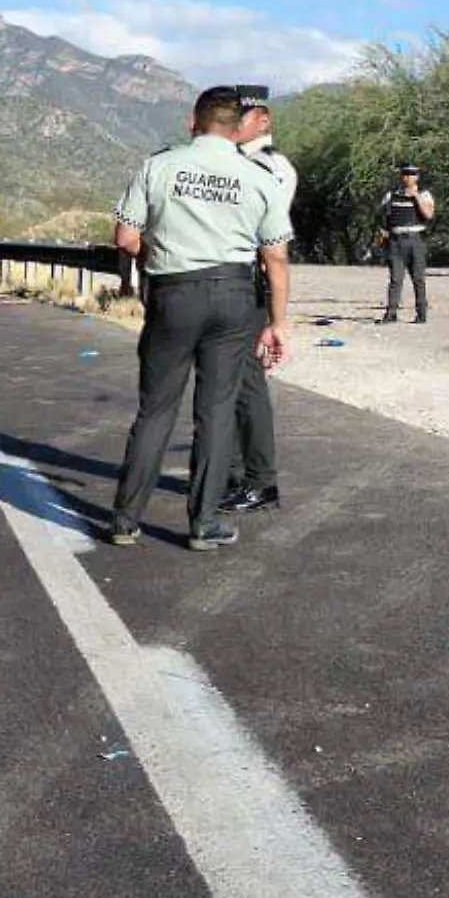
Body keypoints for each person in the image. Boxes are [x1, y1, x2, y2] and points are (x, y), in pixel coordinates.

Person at [109, 86, 294, 551]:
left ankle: (126, 520)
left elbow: (125, 237)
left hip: (174, 293)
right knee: (215, 410)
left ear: (193, 121)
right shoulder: (258, 176)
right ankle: (203, 523)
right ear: (237, 129)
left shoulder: (159, 165)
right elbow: (276, 258)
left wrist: (161, 257)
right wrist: (277, 322)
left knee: (155, 409)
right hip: (234, 297)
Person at [220, 84, 297, 515]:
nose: (234, 124)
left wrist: (276, 316)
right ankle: (227, 473)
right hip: (227, 281)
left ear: (262, 121)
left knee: (247, 383)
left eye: (242, 117)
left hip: (249, 279)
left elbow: (268, 237)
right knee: (225, 382)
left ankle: (260, 480)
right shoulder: (233, 162)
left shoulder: (271, 166)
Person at [377, 163, 435, 324]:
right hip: (395, 241)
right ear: (401, 176)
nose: (408, 177)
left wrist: (416, 196)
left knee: (418, 278)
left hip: (415, 239)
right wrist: (382, 232)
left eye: (412, 174)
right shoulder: (391, 195)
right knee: (396, 279)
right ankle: (391, 313)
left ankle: (421, 313)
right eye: (406, 174)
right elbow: (381, 215)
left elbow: (429, 214)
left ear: (417, 177)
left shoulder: (424, 194)